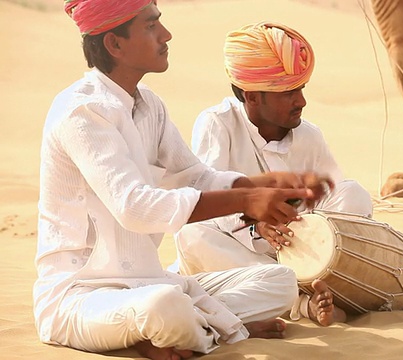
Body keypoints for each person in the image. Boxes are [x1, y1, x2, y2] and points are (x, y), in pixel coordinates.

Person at [34, 2, 332, 360]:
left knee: (280, 283)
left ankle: (182, 334)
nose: (166, 35)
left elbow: (196, 176)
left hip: (149, 280)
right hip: (80, 297)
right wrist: (245, 202)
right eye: (151, 27)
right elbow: (135, 208)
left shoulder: (149, 107)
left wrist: (264, 187)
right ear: (115, 44)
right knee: (164, 307)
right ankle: (212, 329)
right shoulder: (82, 111)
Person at [171, 22, 373, 326]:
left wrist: (305, 230)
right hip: (241, 253)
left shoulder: (310, 137)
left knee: (354, 193)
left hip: (303, 253)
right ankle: (301, 302)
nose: (301, 102)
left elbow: (332, 213)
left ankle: (313, 288)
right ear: (252, 96)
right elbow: (206, 200)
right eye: (288, 93)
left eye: (301, 89)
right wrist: (256, 226)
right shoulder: (217, 123)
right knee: (191, 235)